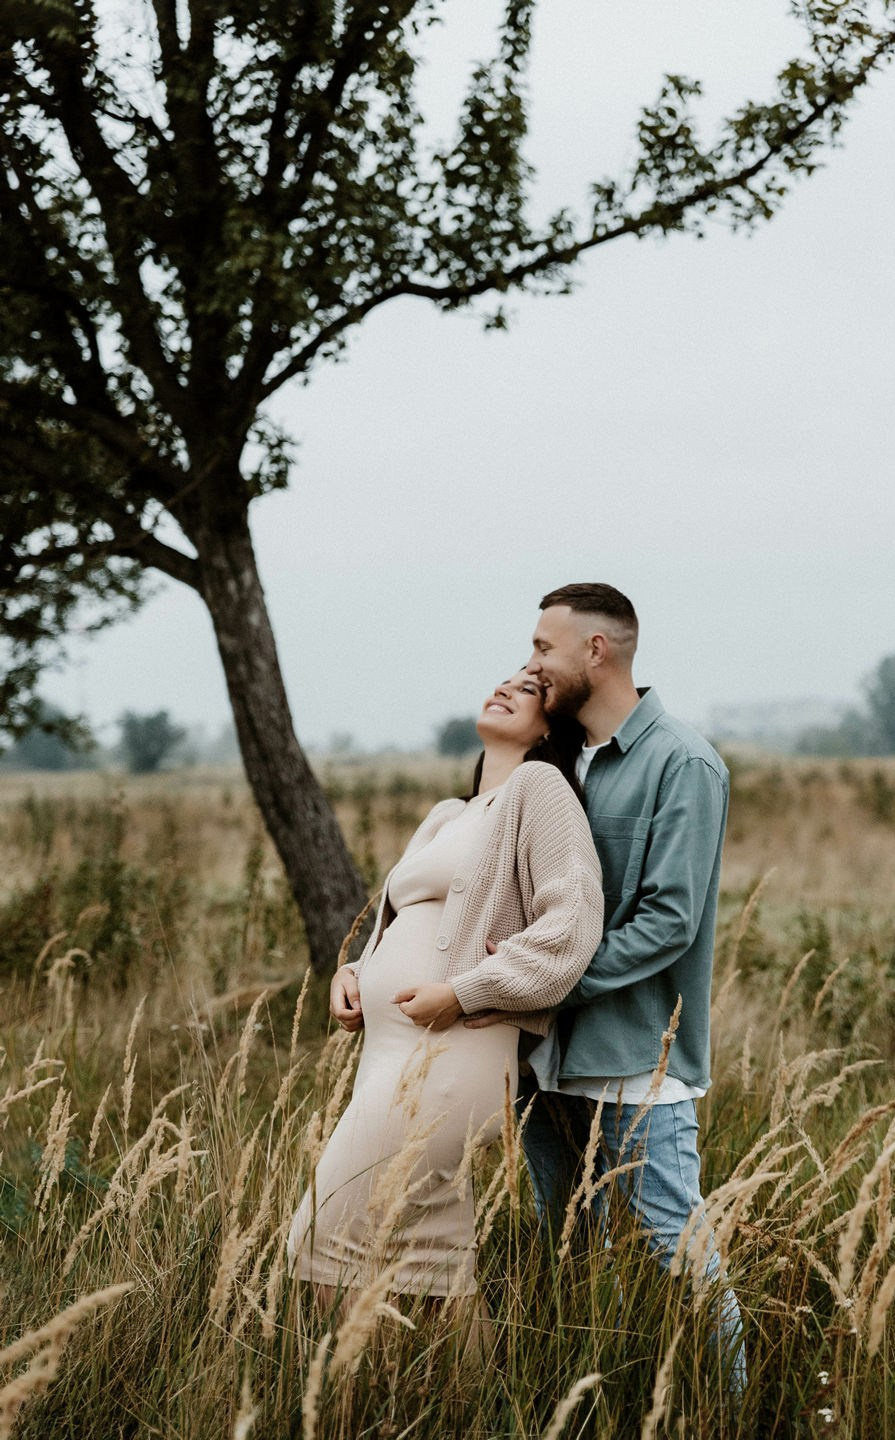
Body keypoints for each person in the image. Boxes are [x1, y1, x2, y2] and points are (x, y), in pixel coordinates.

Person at [466, 583, 746, 1397]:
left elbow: (669, 921)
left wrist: (538, 984)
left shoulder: (683, 763)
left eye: (545, 649)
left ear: (598, 650)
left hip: (632, 1061)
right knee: (565, 1252)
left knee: (677, 1254)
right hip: (539, 1061)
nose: (532, 664)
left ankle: (731, 1413)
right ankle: (590, 1401)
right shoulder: (553, 759)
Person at [287, 671, 603, 1323]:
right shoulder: (447, 815)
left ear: (553, 726)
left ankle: (369, 1403)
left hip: (455, 1053)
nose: (509, 687)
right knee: (429, 1257)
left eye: (532, 688)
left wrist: (464, 993)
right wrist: (354, 971)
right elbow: (395, 919)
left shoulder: (539, 790)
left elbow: (572, 923)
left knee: (323, 1237)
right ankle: (474, 1409)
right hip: (388, 1053)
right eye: (507, 678)